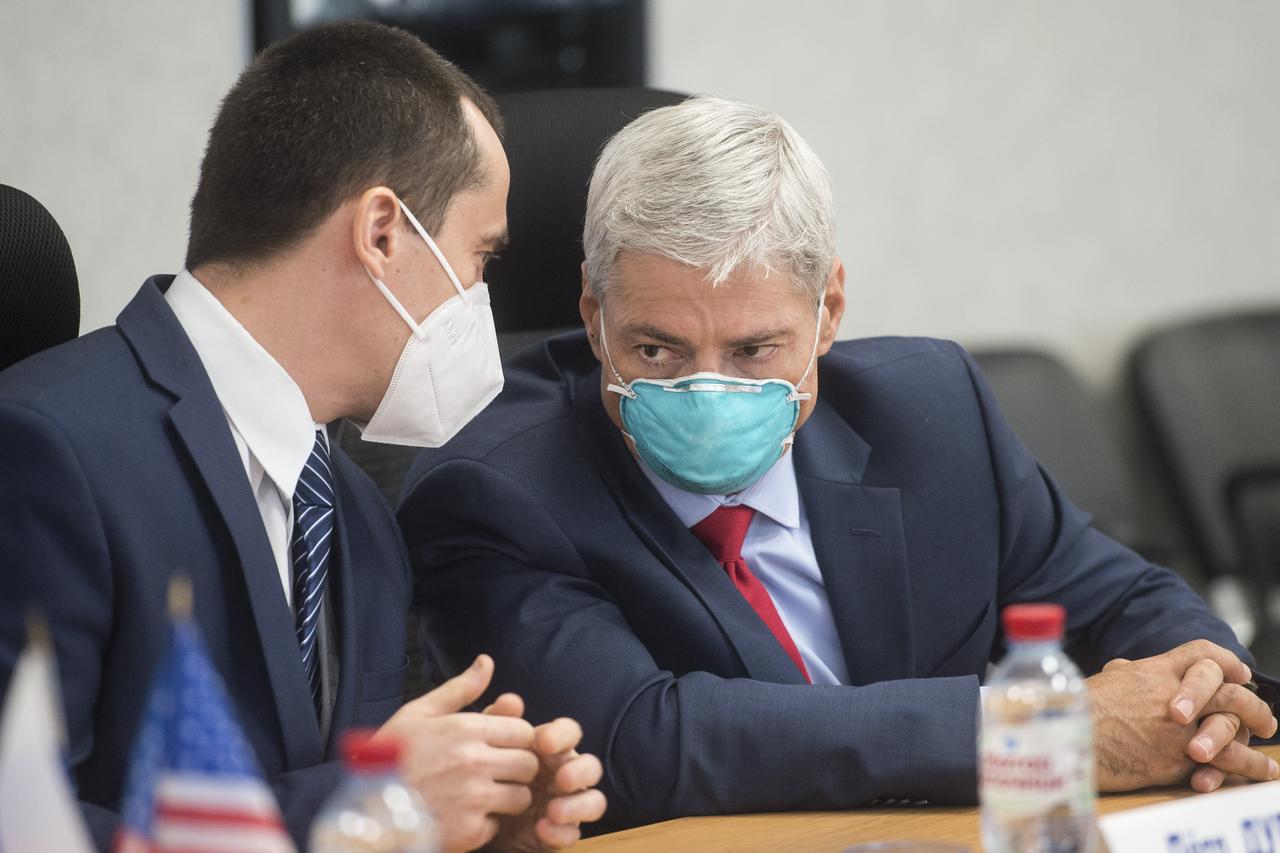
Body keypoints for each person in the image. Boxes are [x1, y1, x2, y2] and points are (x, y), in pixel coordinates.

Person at [397, 95, 1279, 833]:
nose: (708, 390)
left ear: (828, 314)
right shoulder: (493, 487)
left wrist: (1202, 704)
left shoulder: (933, 406)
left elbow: (1120, 599)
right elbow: (640, 741)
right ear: (593, 315)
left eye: (753, 350)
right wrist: (1035, 731)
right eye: (657, 348)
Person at [0, 22, 604, 852]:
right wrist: (358, 807)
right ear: (383, 233)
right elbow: (22, 823)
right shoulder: (44, 445)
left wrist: (470, 823)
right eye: (481, 257)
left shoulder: (356, 508)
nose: (481, 300)